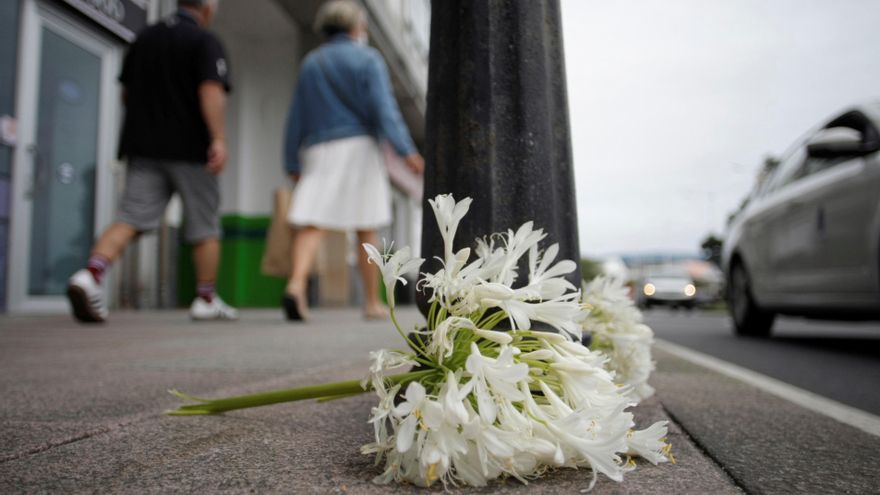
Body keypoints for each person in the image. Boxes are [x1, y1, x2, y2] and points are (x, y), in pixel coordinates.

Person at [66, 0, 238, 323]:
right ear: (207, 9)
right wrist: (218, 138)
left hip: (143, 146)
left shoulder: (144, 37)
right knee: (204, 225)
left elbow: (127, 94)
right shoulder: (205, 41)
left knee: (129, 217)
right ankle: (205, 299)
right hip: (191, 149)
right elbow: (210, 91)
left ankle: (90, 275)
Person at [282, 0, 424, 322]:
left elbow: (297, 116)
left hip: (319, 148)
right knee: (366, 225)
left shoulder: (311, 63)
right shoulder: (368, 59)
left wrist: (291, 159)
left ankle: (295, 285)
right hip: (359, 147)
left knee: (311, 221)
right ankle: (372, 302)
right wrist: (406, 151)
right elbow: (384, 110)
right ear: (355, 27)